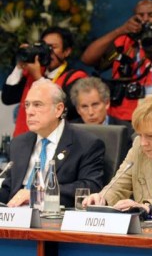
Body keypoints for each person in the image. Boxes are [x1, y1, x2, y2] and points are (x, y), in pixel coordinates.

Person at [0, 79, 105, 207]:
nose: (29, 112)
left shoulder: (86, 144)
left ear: (59, 109)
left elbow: (90, 187)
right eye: (27, 105)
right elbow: (8, 189)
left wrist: (40, 194)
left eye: (37, 105)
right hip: (16, 216)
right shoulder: (19, 143)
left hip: (55, 216)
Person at [80, 0, 152, 122]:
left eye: (151, 15)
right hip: (118, 117)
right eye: (140, 15)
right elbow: (87, 59)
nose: (145, 19)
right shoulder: (124, 42)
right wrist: (121, 30)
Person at [2, 27, 87, 137]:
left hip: (53, 142)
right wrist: (19, 66)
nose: (48, 51)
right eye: (45, 46)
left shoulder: (76, 77)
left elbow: (65, 110)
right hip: (23, 140)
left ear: (66, 51)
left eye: (53, 47)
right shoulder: (32, 71)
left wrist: (38, 77)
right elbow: (8, 98)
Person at [69, 77, 134, 139]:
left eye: (95, 105)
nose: (91, 112)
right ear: (78, 110)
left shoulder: (127, 132)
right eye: (84, 107)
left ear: (107, 103)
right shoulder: (69, 131)